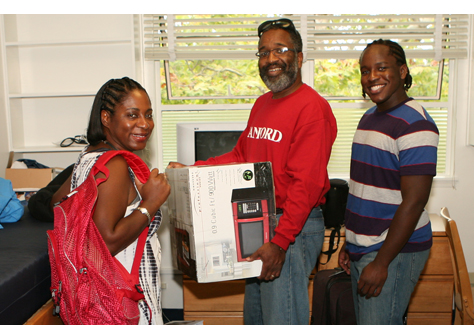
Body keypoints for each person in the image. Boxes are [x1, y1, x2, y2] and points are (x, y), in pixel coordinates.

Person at [169, 18, 337, 325]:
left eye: (280, 50)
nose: (270, 58)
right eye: (262, 52)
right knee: (257, 317)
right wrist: (193, 171)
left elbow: (306, 184)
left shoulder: (312, 108)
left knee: (283, 318)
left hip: (293, 228)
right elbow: (241, 157)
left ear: (298, 58)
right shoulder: (262, 104)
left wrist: (280, 241)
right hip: (262, 223)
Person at [51, 77, 170, 325]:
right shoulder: (114, 165)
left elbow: (57, 200)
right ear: (106, 118)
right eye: (132, 115)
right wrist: (150, 203)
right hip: (122, 298)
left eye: (148, 115)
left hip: (96, 295)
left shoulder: (90, 154)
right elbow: (107, 242)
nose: (145, 124)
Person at [338, 39, 439, 324]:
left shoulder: (415, 124)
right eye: (365, 70)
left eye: (382, 68)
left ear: (403, 71)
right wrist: (351, 239)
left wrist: (382, 262)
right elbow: (364, 187)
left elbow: (415, 200)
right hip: (364, 246)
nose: (372, 77)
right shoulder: (368, 118)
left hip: (391, 251)